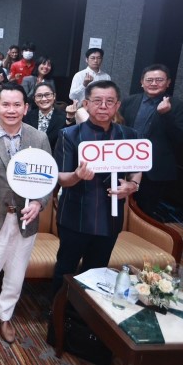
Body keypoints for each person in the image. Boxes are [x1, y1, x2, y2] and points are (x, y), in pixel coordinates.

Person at [0, 83, 52, 344]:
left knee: (16, 273)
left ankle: (5, 315)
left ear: (26, 108)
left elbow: (48, 180)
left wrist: (39, 203)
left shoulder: (39, 139)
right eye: (5, 104)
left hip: (26, 217)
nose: (11, 110)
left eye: (17, 105)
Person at [52, 80, 141, 299]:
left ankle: (87, 313)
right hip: (75, 215)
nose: (103, 106)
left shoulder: (129, 135)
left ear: (117, 105)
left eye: (109, 101)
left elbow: (137, 169)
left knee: (98, 271)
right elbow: (61, 178)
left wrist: (132, 185)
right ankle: (58, 309)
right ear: (86, 104)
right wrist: (77, 175)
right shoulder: (69, 135)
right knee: (65, 268)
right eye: (97, 101)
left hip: (110, 216)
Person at [119, 64, 183, 219]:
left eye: (159, 80)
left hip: (154, 170)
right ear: (141, 82)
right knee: (120, 206)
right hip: (125, 163)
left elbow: (180, 138)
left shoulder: (178, 106)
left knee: (145, 213)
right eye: (149, 80)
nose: (154, 83)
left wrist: (166, 114)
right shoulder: (129, 101)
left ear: (168, 82)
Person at [23, 82, 67, 150]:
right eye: (39, 95)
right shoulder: (27, 117)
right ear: (34, 99)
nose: (44, 99)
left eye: (47, 95)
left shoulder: (64, 118)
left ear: (54, 96)